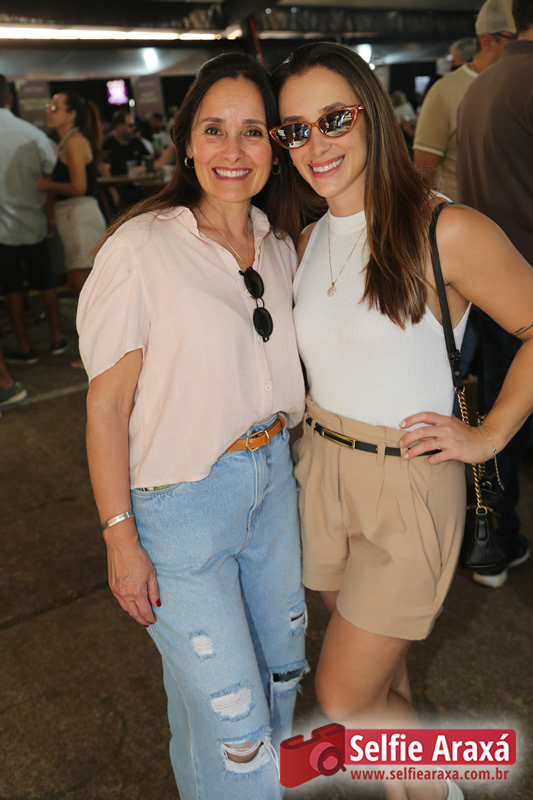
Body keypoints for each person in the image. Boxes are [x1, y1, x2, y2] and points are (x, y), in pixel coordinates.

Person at [271, 41, 533, 800]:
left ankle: (442, 786)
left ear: (372, 116)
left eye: (333, 119)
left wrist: (489, 434)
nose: (315, 145)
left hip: (406, 482)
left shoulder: (445, 229)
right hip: (321, 471)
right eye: (295, 130)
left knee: (344, 696)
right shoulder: (308, 237)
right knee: (381, 674)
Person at [77, 52, 307, 800]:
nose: (232, 151)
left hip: (272, 484)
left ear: (275, 147)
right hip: (178, 509)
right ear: (185, 143)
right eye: (214, 129)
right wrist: (119, 537)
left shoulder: (279, 243)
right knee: (239, 728)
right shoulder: (142, 249)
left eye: (252, 131)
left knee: (276, 683)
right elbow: (106, 406)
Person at [456, 0, 533, 588]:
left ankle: (496, 538)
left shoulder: (479, 87)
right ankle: (495, 537)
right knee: (505, 421)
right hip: (523, 286)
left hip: (489, 285)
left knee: (500, 416)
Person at [413, 0, 516, 201]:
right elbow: (424, 172)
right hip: (466, 214)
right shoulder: (444, 90)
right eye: (515, 38)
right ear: (487, 41)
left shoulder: (520, 85)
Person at [0, 74, 67, 363]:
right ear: (10, 98)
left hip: (1, 230)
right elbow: (51, 175)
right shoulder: (31, 133)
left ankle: (24, 347)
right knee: (45, 279)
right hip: (34, 220)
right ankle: (56, 338)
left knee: (11, 287)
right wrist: (50, 215)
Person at [37, 92, 107, 298]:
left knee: (82, 282)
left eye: (55, 107)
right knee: (78, 277)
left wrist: (47, 184)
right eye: (49, 106)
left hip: (79, 216)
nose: (49, 111)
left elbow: (79, 187)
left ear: (71, 114)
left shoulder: (74, 141)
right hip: (75, 215)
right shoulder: (68, 141)